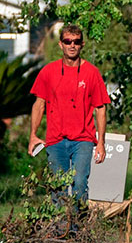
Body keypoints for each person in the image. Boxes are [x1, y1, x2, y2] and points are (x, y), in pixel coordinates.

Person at [28, 23, 107, 204]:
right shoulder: (48, 72)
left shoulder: (92, 73)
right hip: (55, 139)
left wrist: (101, 142)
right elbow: (39, 105)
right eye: (68, 41)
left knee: (79, 183)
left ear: (82, 45)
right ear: (61, 44)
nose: (72, 45)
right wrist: (33, 135)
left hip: (83, 139)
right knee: (59, 187)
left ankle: (78, 229)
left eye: (76, 42)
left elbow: (100, 108)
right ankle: (61, 229)